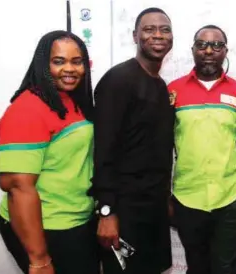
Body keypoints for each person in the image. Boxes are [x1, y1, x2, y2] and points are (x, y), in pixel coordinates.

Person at [0, 30, 97, 274]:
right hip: (48, 227)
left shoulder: (71, 100)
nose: (69, 69)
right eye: (59, 61)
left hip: (75, 220)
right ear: (43, 64)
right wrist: (39, 259)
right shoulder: (27, 109)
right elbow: (18, 187)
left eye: (77, 61)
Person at [90, 7, 175, 274]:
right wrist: (107, 212)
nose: (157, 35)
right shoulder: (118, 80)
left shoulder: (161, 85)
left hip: (154, 211)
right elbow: (103, 152)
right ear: (135, 35)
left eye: (164, 29)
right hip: (124, 213)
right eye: (149, 29)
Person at [168, 25, 236, 274]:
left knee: (225, 267)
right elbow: (162, 148)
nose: (209, 50)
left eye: (216, 45)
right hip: (187, 197)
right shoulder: (173, 91)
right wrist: (166, 196)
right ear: (193, 50)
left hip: (230, 197)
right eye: (202, 44)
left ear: (225, 51)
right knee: (196, 266)